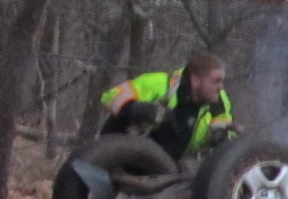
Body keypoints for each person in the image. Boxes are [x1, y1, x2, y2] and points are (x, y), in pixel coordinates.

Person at [99, 52, 234, 162]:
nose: (221, 87)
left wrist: (221, 139)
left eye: (222, 81)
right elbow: (110, 97)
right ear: (196, 80)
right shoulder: (160, 83)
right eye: (216, 81)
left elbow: (230, 142)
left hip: (163, 170)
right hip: (117, 154)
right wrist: (142, 110)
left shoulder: (219, 106)